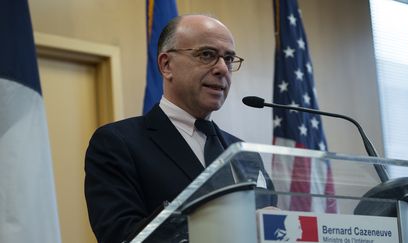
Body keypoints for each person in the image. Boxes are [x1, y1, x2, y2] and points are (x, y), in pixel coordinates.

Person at [84, 14, 275, 243]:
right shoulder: (117, 143)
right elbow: (120, 236)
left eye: (229, 58)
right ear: (166, 65)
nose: (222, 69)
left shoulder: (243, 152)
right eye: (207, 55)